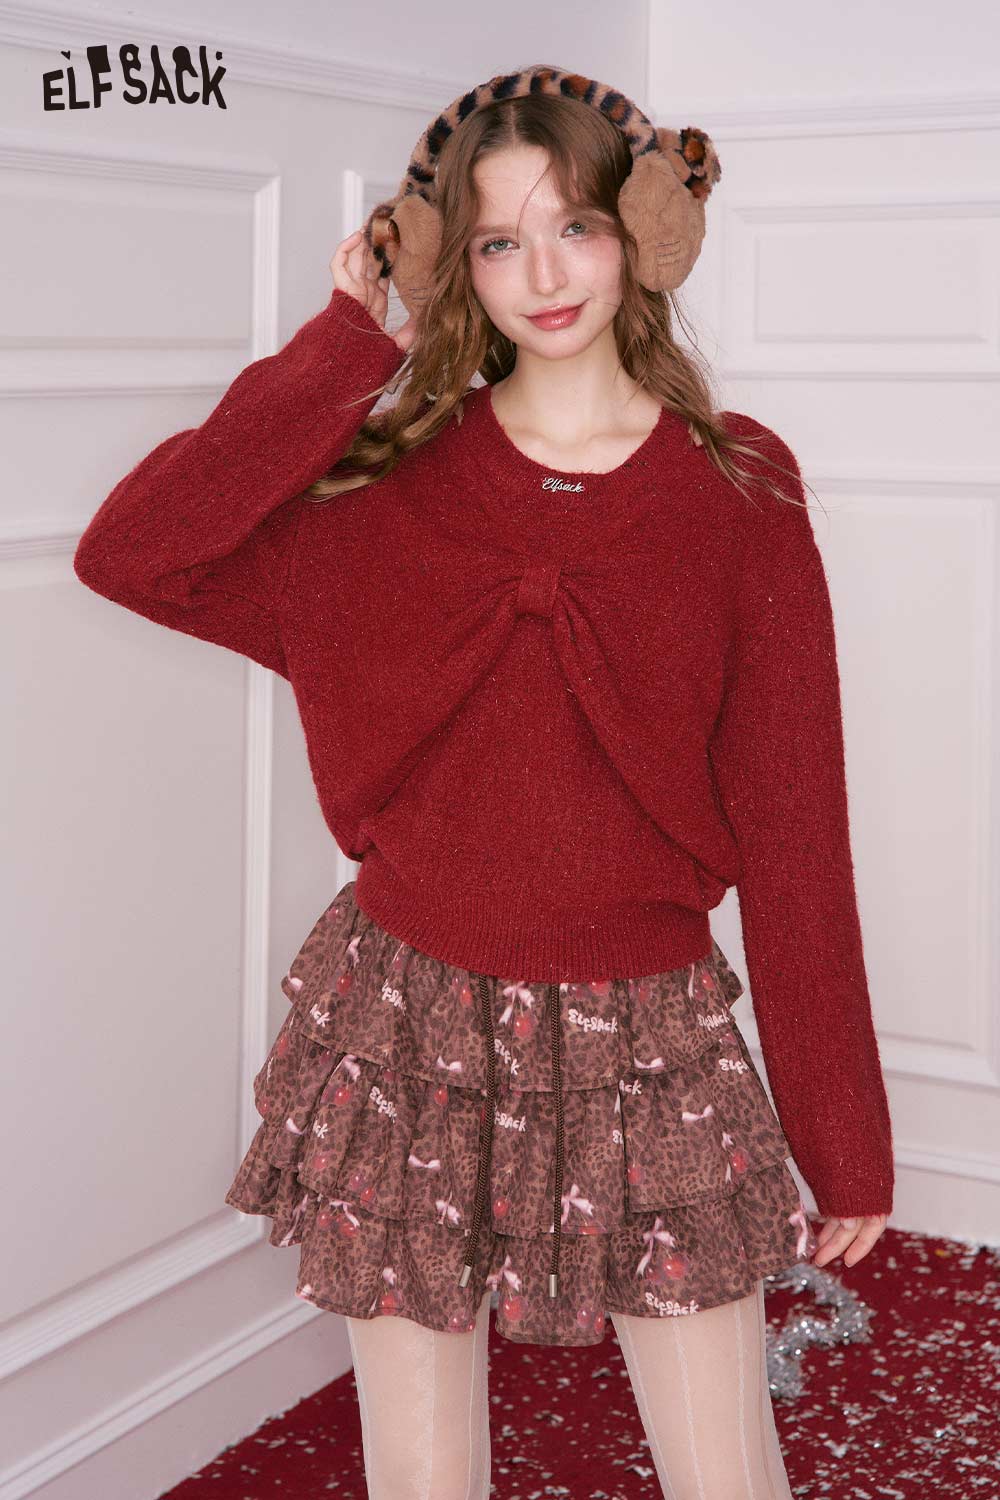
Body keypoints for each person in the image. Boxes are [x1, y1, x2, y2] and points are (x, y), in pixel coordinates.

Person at [73, 67, 893, 1500]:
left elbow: (797, 828)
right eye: (501, 242)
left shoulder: (740, 494)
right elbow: (135, 551)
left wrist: (843, 1134)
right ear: (454, 261)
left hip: (647, 1034)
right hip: (409, 1021)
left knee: (726, 1473)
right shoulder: (391, 482)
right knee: (421, 1470)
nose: (546, 277)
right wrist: (344, 349)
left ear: (645, 231)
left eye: (576, 226)